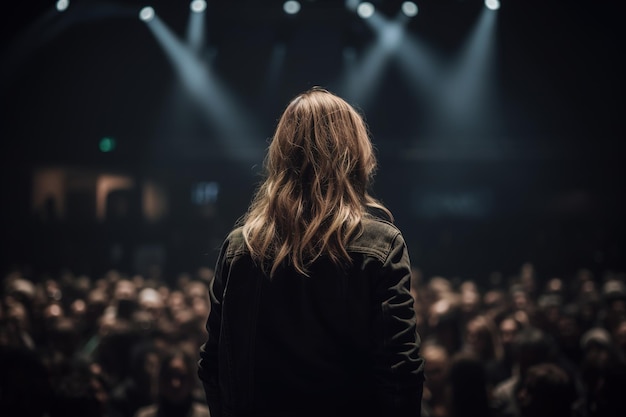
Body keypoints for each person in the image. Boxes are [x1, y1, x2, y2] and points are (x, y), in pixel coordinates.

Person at [197, 87, 425, 417]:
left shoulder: (240, 247)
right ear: (354, 153)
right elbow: (400, 372)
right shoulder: (380, 245)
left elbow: (213, 365)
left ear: (281, 153)